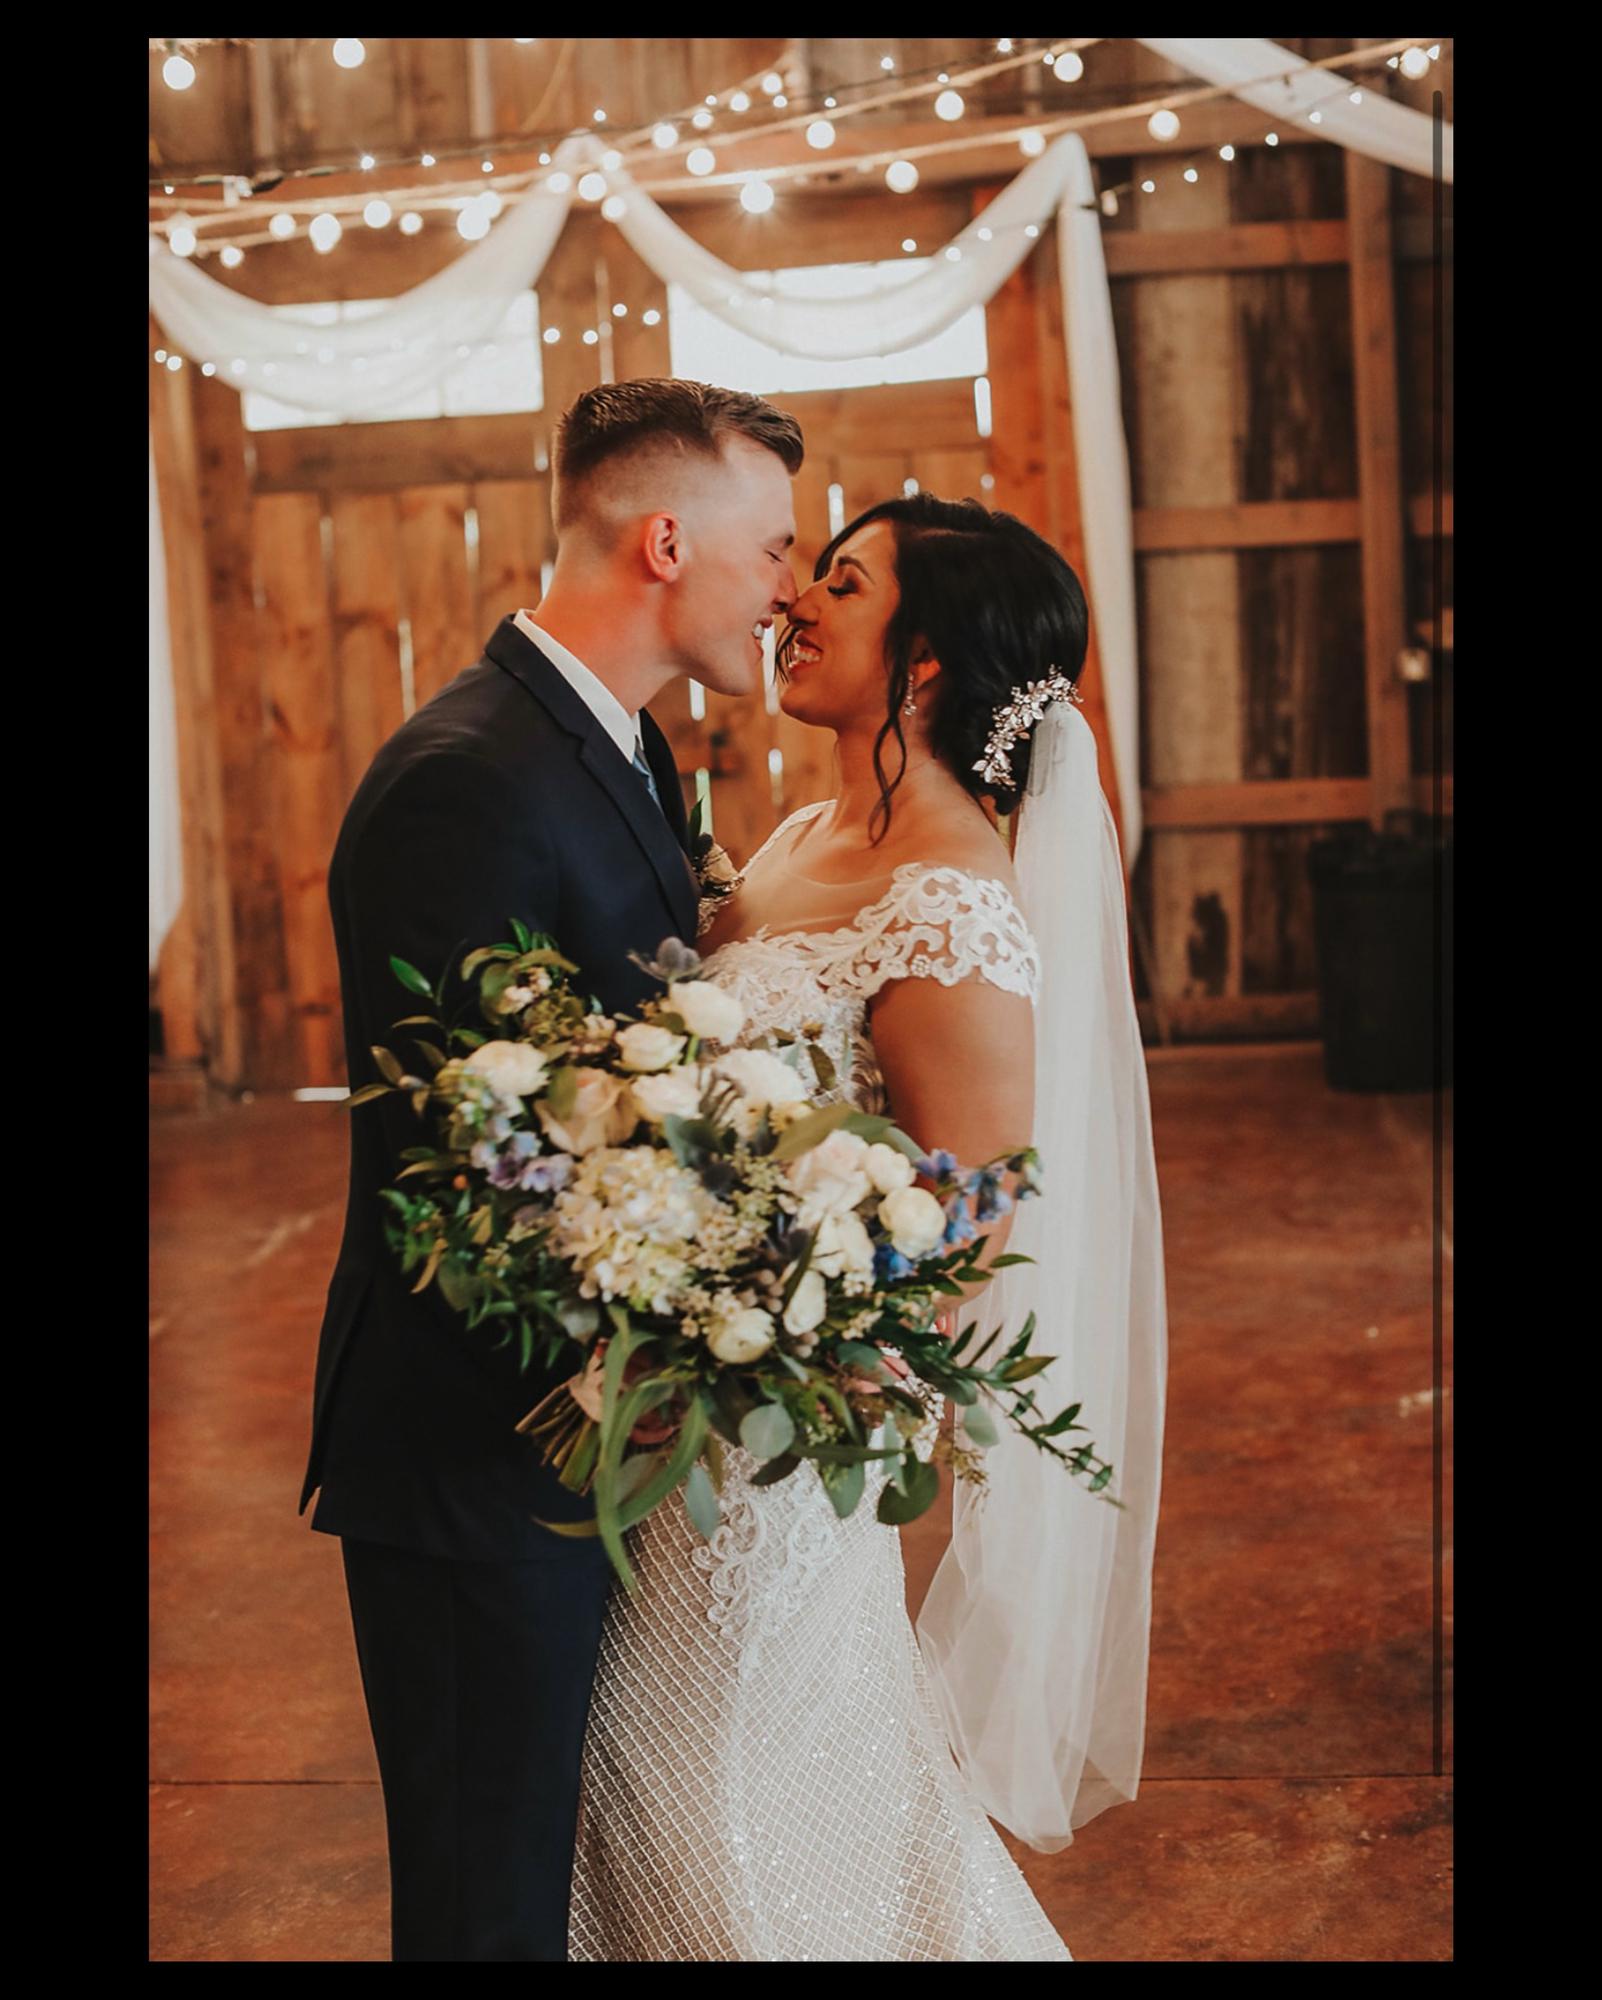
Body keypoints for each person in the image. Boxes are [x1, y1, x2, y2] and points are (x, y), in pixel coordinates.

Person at [567, 494, 1169, 1960]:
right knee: (649, 1799)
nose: (791, 603)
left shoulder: (951, 905)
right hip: (662, 1402)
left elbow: (963, 1231)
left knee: (721, 1797)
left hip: (775, 1452)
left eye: (838, 584)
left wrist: (765, 1365)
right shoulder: (799, 838)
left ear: (925, 662)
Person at [299, 378, 803, 1962]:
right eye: (775, 546)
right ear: (667, 541)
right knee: (487, 1909)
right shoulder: (465, 775)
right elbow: (464, 1168)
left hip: (585, 1439)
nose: (788, 587)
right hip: (475, 1453)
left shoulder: (622, 744)